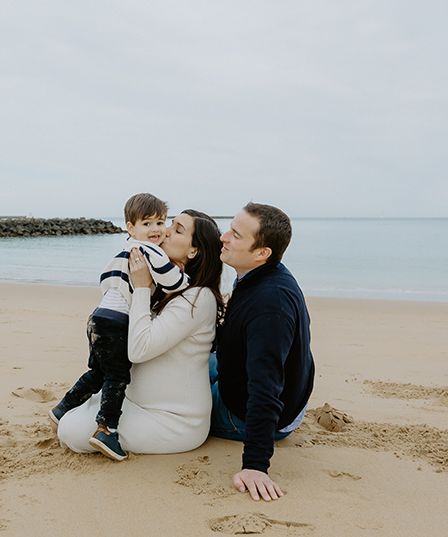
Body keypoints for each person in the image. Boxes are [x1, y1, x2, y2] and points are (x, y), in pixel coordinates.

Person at [56, 210, 225, 458]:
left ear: (194, 251)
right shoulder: (167, 286)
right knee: (75, 419)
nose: (164, 231)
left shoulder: (199, 297)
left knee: (70, 430)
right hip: (136, 403)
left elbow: (138, 350)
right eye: (170, 224)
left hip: (173, 421)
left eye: (177, 230)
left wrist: (142, 286)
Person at [211, 202, 314, 501]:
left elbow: (265, 385)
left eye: (236, 235)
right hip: (280, 388)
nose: (224, 237)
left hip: (252, 413)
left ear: (261, 252)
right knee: (185, 357)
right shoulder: (258, 273)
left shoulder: (271, 303)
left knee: (172, 395)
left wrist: (255, 465)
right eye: (229, 228)